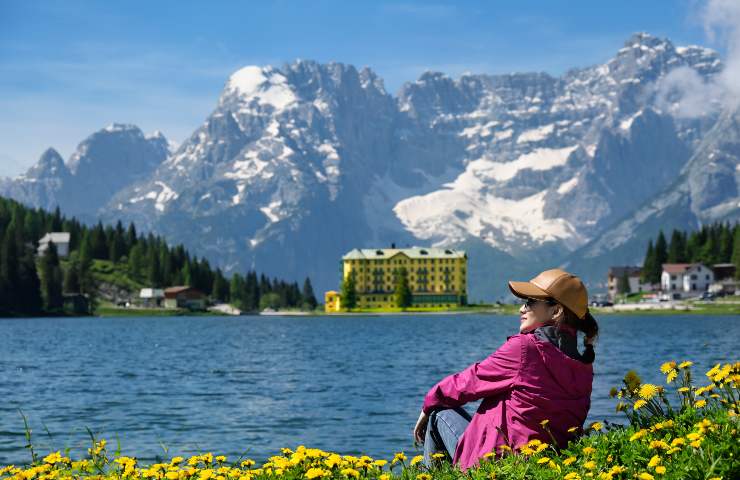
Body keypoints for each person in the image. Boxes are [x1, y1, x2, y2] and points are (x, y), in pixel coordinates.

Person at [413, 268, 599, 471]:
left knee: (438, 412)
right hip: (538, 465)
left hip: (493, 465)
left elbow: (468, 381)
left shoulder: (525, 349)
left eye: (530, 302)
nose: (521, 309)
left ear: (556, 311)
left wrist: (427, 405)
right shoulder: (584, 365)